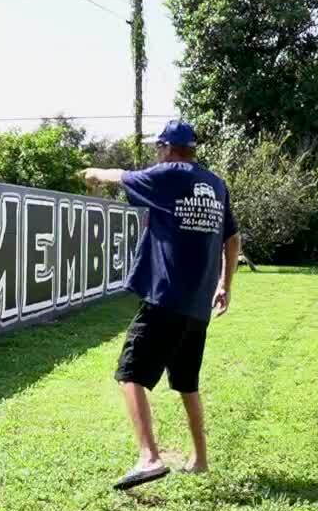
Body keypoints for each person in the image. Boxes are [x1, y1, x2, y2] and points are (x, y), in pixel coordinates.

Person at [82, 120, 240, 490]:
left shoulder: (167, 175)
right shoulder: (215, 185)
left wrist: (92, 172)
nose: (158, 154)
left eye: (159, 148)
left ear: (168, 148)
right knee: (186, 381)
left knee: (130, 374)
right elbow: (232, 239)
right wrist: (224, 284)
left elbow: (120, 175)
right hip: (197, 304)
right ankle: (199, 459)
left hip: (165, 297)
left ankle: (149, 457)